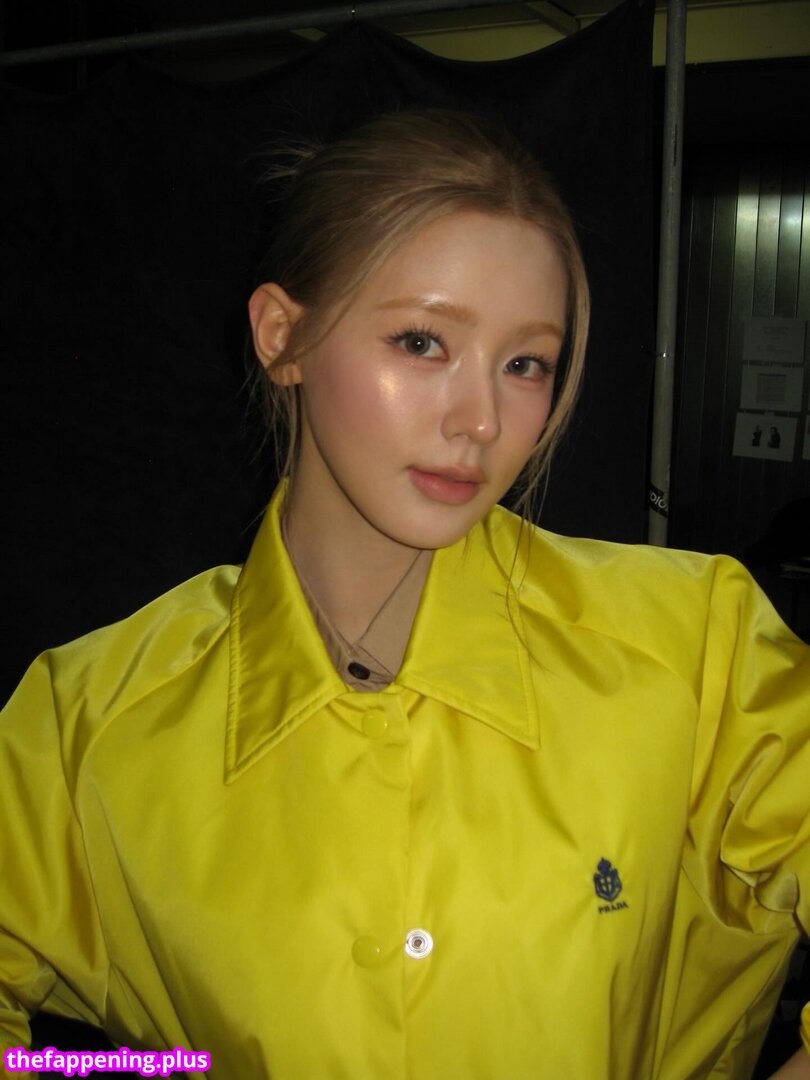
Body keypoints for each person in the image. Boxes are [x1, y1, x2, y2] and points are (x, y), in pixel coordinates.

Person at [0, 111, 808, 1080]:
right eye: (423, 342)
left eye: (525, 364)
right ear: (283, 336)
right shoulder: (86, 725)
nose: (480, 420)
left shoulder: (697, 650)